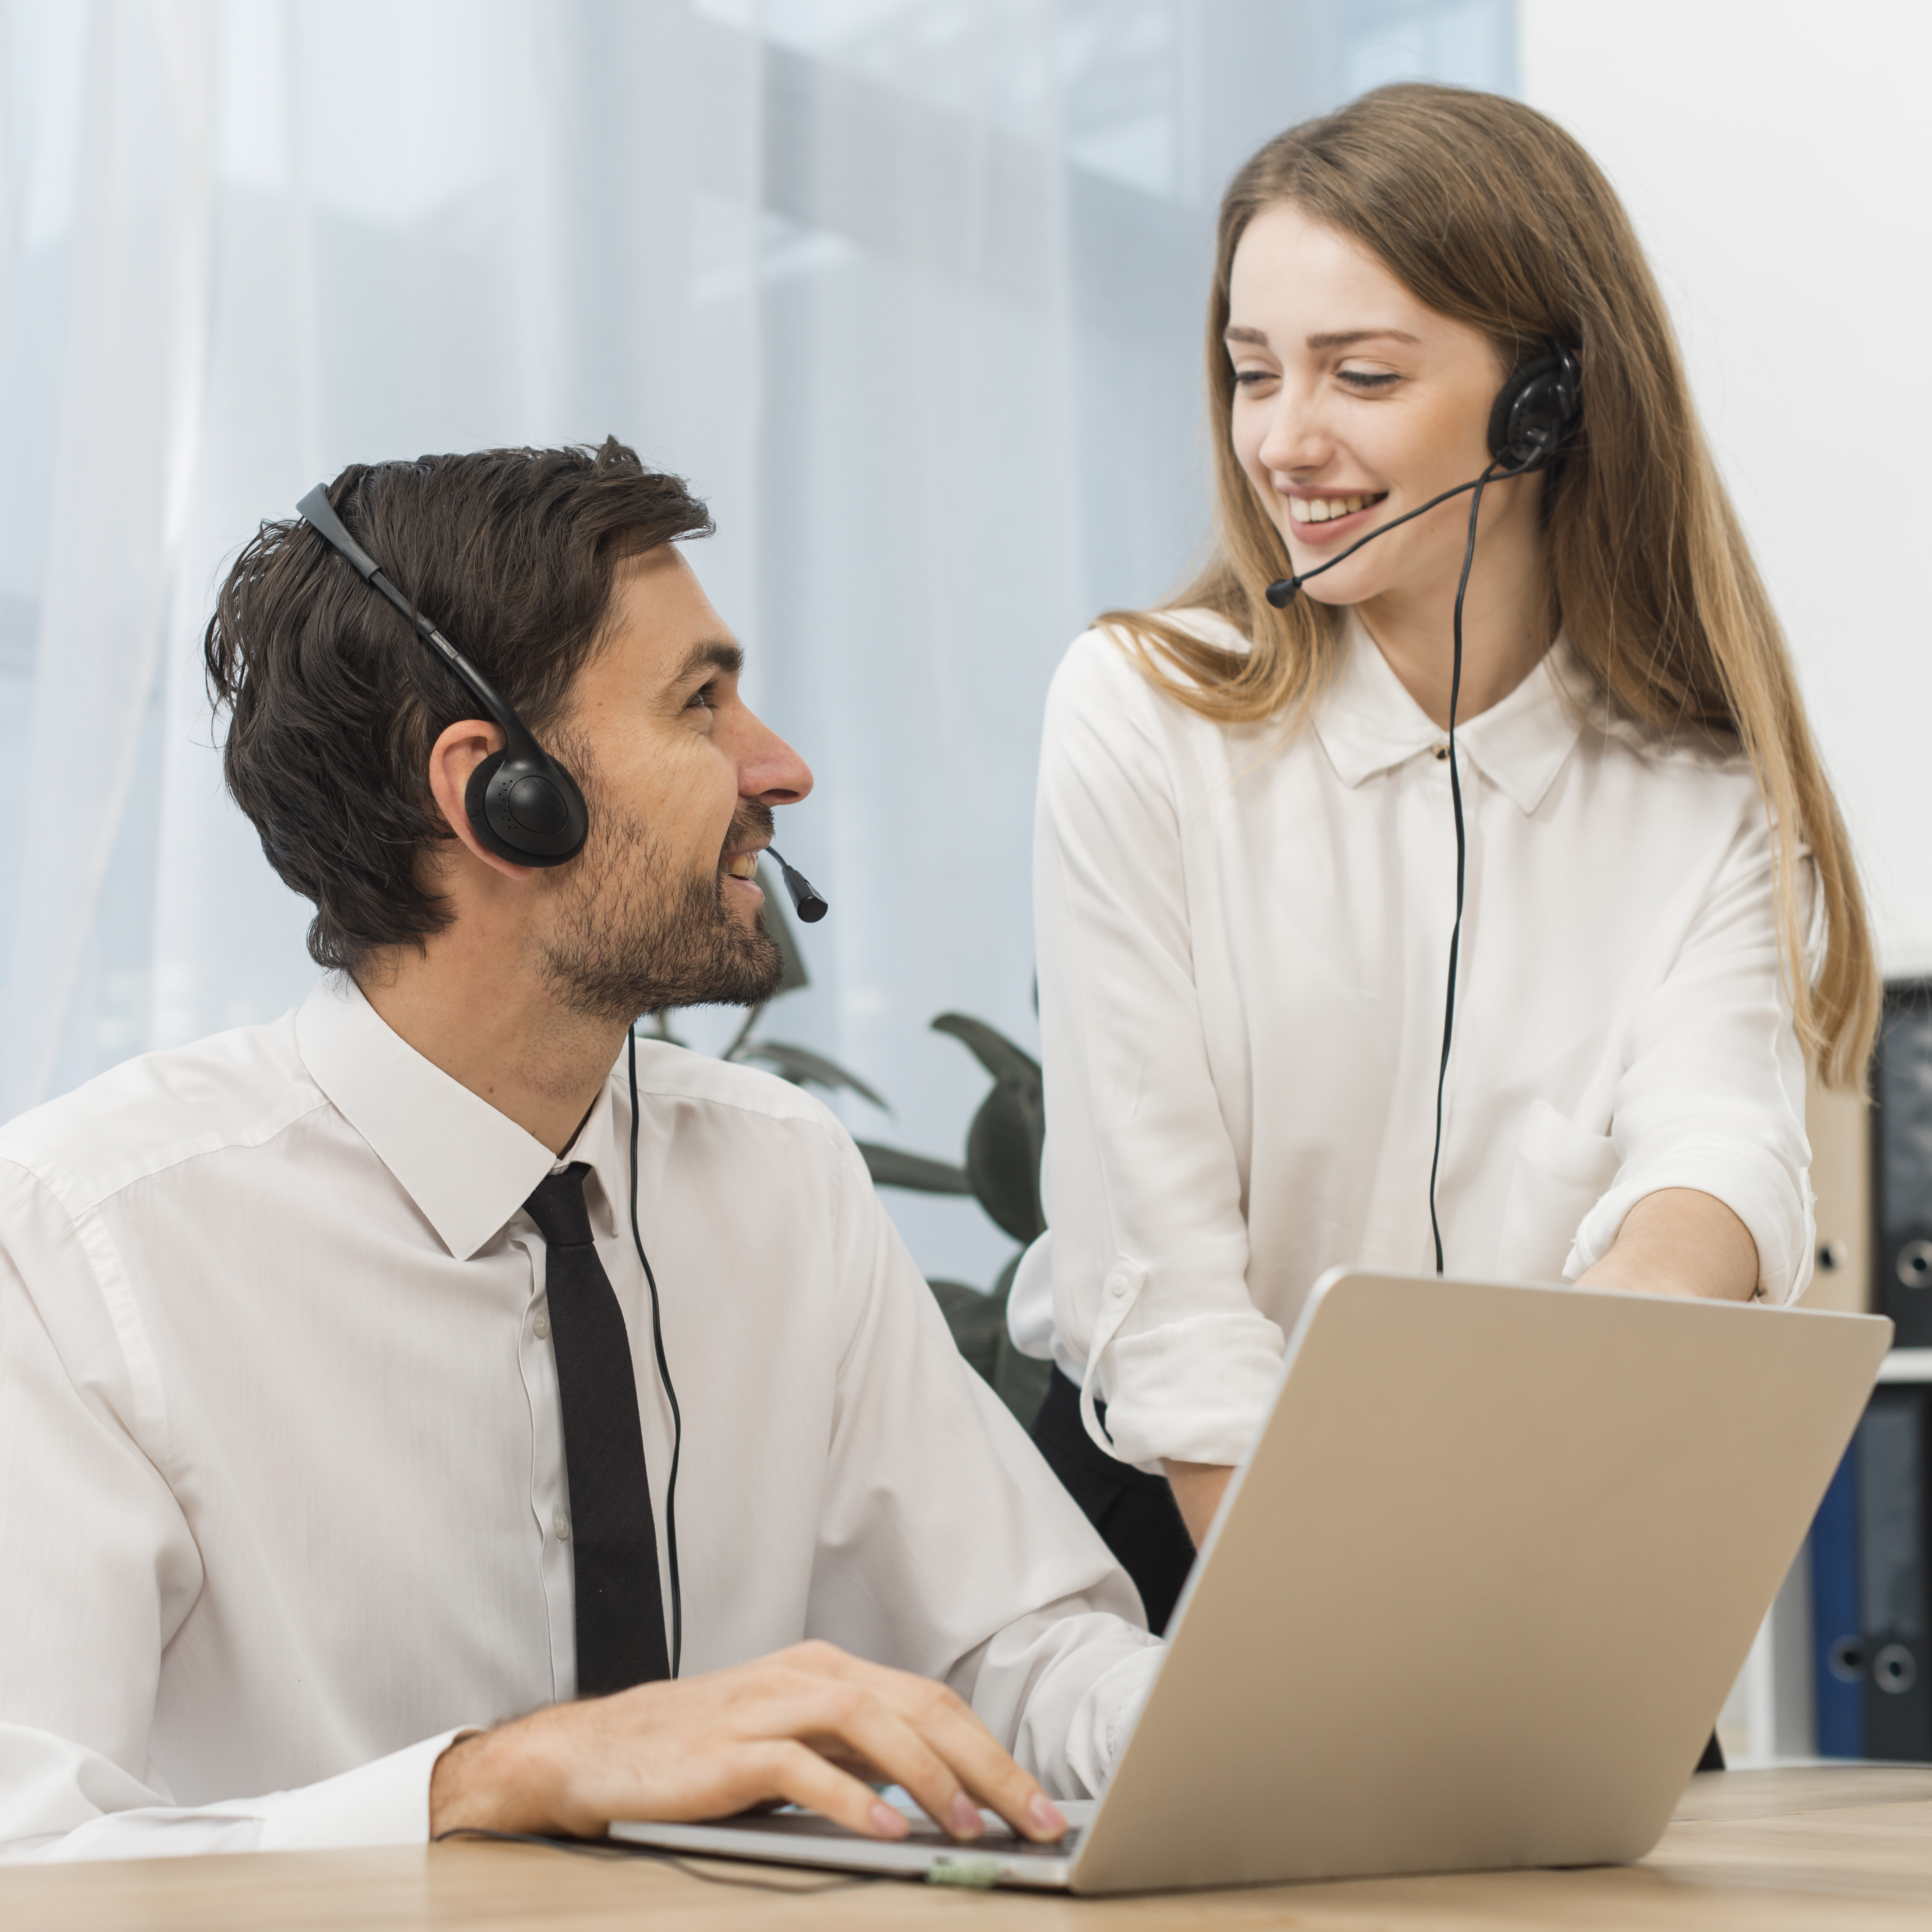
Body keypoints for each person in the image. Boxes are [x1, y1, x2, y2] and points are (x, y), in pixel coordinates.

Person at [0, 441, 1160, 1861]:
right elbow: (29, 1850)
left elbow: (1018, 1650)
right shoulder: (78, 1240)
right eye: (701, 705)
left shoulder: (780, 1174)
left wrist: (1261, 1721)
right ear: (498, 791)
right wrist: (489, 1779)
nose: (779, 767)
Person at [1008, 84, 1879, 1635]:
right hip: (1186, 1516)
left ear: (1546, 400)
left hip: (1539, 1501)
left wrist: (1599, 1352)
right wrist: (1352, 1618)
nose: (1285, 440)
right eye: (1249, 372)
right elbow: (1165, 1289)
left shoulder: (1694, 784)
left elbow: (1720, 1152)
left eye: (1360, 375)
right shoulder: (1141, 712)